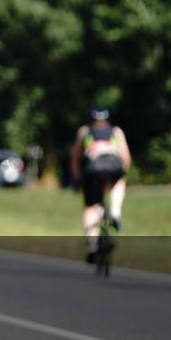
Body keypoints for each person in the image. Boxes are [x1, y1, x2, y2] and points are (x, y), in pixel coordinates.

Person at [69, 107, 131, 263]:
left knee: (91, 207)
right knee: (119, 181)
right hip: (113, 168)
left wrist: (76, 177)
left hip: (92, 171)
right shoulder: (116, 131)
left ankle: (92, 244)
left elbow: (75, 157)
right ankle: (116, 211)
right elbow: (125, 157)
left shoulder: (84, 131)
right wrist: (123, 172)